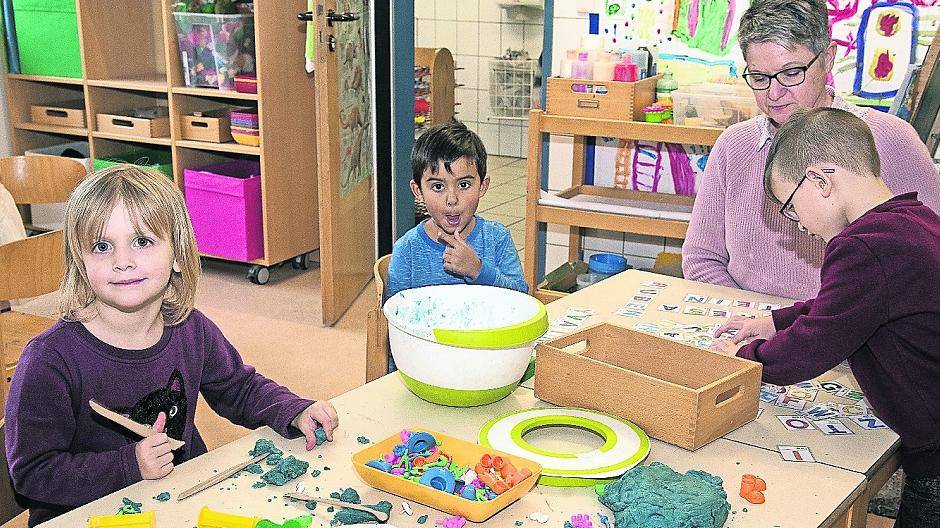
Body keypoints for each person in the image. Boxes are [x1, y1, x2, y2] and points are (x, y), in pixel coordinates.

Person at [4, 166, 340, 526]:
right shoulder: (50, 361)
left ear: (177, 255)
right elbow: (33, 473)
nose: (123, 261)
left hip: (179, 500)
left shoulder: (190, 329)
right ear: (81, 263)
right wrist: (128, 464)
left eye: (142, 241)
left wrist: (292, 410)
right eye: (102, 246)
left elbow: (239, 389)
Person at [712, 108, 940, 527]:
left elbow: (814, 347)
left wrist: (745, 357)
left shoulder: (865, 247)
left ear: (820, 181)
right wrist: (776, 321)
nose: (797, 225)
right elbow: (847, 305)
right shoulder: (911, 220)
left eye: (791, 207)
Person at [682, 0, 940, 301]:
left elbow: (929, 264)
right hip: (755, 329)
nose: (774, 93)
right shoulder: (734, 146)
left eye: (791, 73)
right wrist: (757, 324)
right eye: (759, 78)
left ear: (827, 59)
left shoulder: (892, 139)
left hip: (851, 330)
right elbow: (702, 260)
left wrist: (816, 328)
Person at [385, 120, 526, 300]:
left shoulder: (497, 239)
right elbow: (395, 311)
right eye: (437, 186)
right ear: (418, 191)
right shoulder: (407, 249)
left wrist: (478, 270)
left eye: (464, 184)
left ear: (483, 186)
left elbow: (521, 298)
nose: (452, 200)